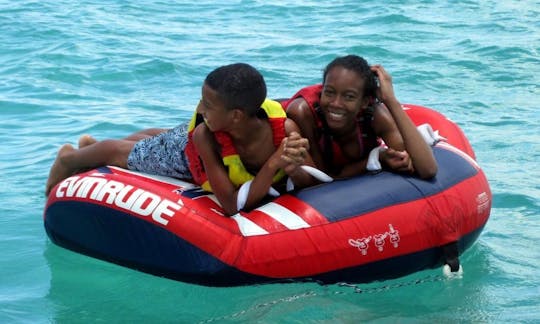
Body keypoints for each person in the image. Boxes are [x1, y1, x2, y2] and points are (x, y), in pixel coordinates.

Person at [46, 63, 314, 216]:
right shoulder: (205, 134)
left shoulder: (286, 130)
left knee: (160, 137)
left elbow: (312, 179)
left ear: (236, 116)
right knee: (125, 153)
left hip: (183, 140)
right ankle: (70, 157)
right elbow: (231, 205)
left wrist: (294, 164)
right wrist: (273, 165)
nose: (199, 109)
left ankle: (87, 147)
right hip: (185, 157)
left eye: (207, 104)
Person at [282, 55, 437, 180]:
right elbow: (323, 178)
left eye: (349, 97)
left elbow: (428, 169)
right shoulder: (302, 113)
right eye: (329, 92)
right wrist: (377, 157)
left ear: (364, 102)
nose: (336, 103)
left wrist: (390, 101)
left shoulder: (374, 116)